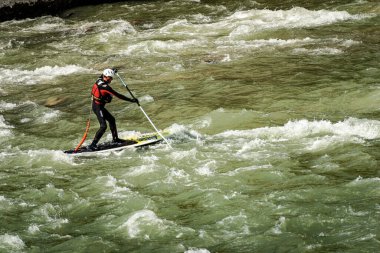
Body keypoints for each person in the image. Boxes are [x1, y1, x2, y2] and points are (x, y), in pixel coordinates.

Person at [88, 68, 138, 150]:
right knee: (103, 126)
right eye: (110, 78)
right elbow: (118, 95)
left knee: (112, 120)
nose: (111, 79)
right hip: (97, 107)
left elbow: (103, 74)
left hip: (99, 105)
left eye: (111, 78)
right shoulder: (105, 87)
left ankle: (115, 139)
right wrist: (131, 100)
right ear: (105, 77)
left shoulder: (99, 79)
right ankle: (92, 145)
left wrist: (112, 71)